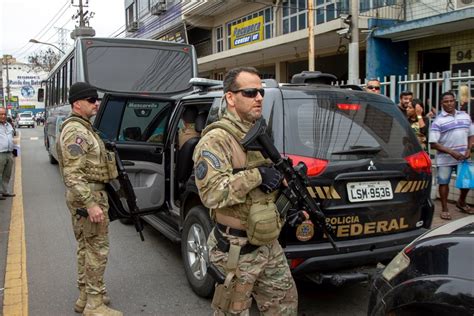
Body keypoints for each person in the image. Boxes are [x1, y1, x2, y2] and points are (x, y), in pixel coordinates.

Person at [193, 67, 298, 315]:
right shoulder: (217, 139)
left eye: (261, 92)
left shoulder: (256, 132)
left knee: (284, 307)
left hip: (268, 242)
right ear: (230, 97)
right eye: (250, 92)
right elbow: (211, 194)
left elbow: (265, 188)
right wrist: (258, 175)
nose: (259, 97)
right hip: (235, 247)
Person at [56, 82, 122, 316]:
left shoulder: (83, 127)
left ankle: (86, 296)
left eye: (97, 100)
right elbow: (73, 175)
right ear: (77, 103)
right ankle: (95, 304)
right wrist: (91, 204)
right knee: (97, 250)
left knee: (86, 247)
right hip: (87, 196)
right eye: (91, 100)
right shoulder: (76, 131)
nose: (97, 104)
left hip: (87, 195)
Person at [429, 91, 474, 220]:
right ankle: (444, 208)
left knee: (466, 182)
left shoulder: (465, 116)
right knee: (444, 183)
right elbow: (433, 144)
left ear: (455, 101)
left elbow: (471, 134)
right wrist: (451, 152)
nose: (449, 104)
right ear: (441, 103)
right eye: (446, 101)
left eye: (451, 101)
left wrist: (469, 149)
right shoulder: (438, 121)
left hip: (463, 157)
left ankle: (461, 202)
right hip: (445, 159)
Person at [0, 107, 16, 200]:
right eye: (1, 114)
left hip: (9, 153)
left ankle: (4, 191)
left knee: (7, 173)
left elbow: (12, 139)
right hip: (0, 153)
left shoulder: (8, 125)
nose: (3, 116)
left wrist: (15, 152)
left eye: (4, 114)